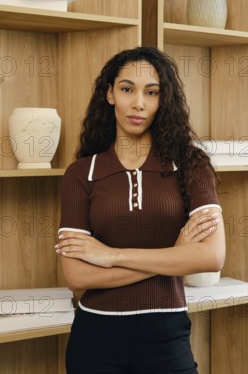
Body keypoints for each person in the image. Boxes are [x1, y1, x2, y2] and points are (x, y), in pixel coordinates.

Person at [54, 46, 225, 374]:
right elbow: (77, 276)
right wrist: (174, 256)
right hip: (95, 339)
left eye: (151, 92)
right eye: (127, 89)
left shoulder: (191, 164)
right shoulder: (81, 173)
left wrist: (111, 255)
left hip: (167, 336)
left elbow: (211, 257)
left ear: (164, 100)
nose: (138, 103)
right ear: (110, 94)